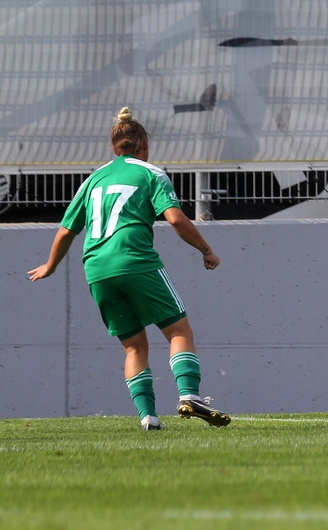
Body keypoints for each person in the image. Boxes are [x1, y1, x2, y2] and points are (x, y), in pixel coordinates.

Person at [29, 107, 231, 430]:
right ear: (144, 145)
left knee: (134, 345)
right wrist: (207, 250)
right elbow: (176, 219)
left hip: (95, 268)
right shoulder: (151, 173)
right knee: (179, 330)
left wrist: (50, 266)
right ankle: (189, 394)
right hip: (134, 259)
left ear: (114, 148)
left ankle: (148, 418)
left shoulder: (92, 180)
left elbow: (66, 231)